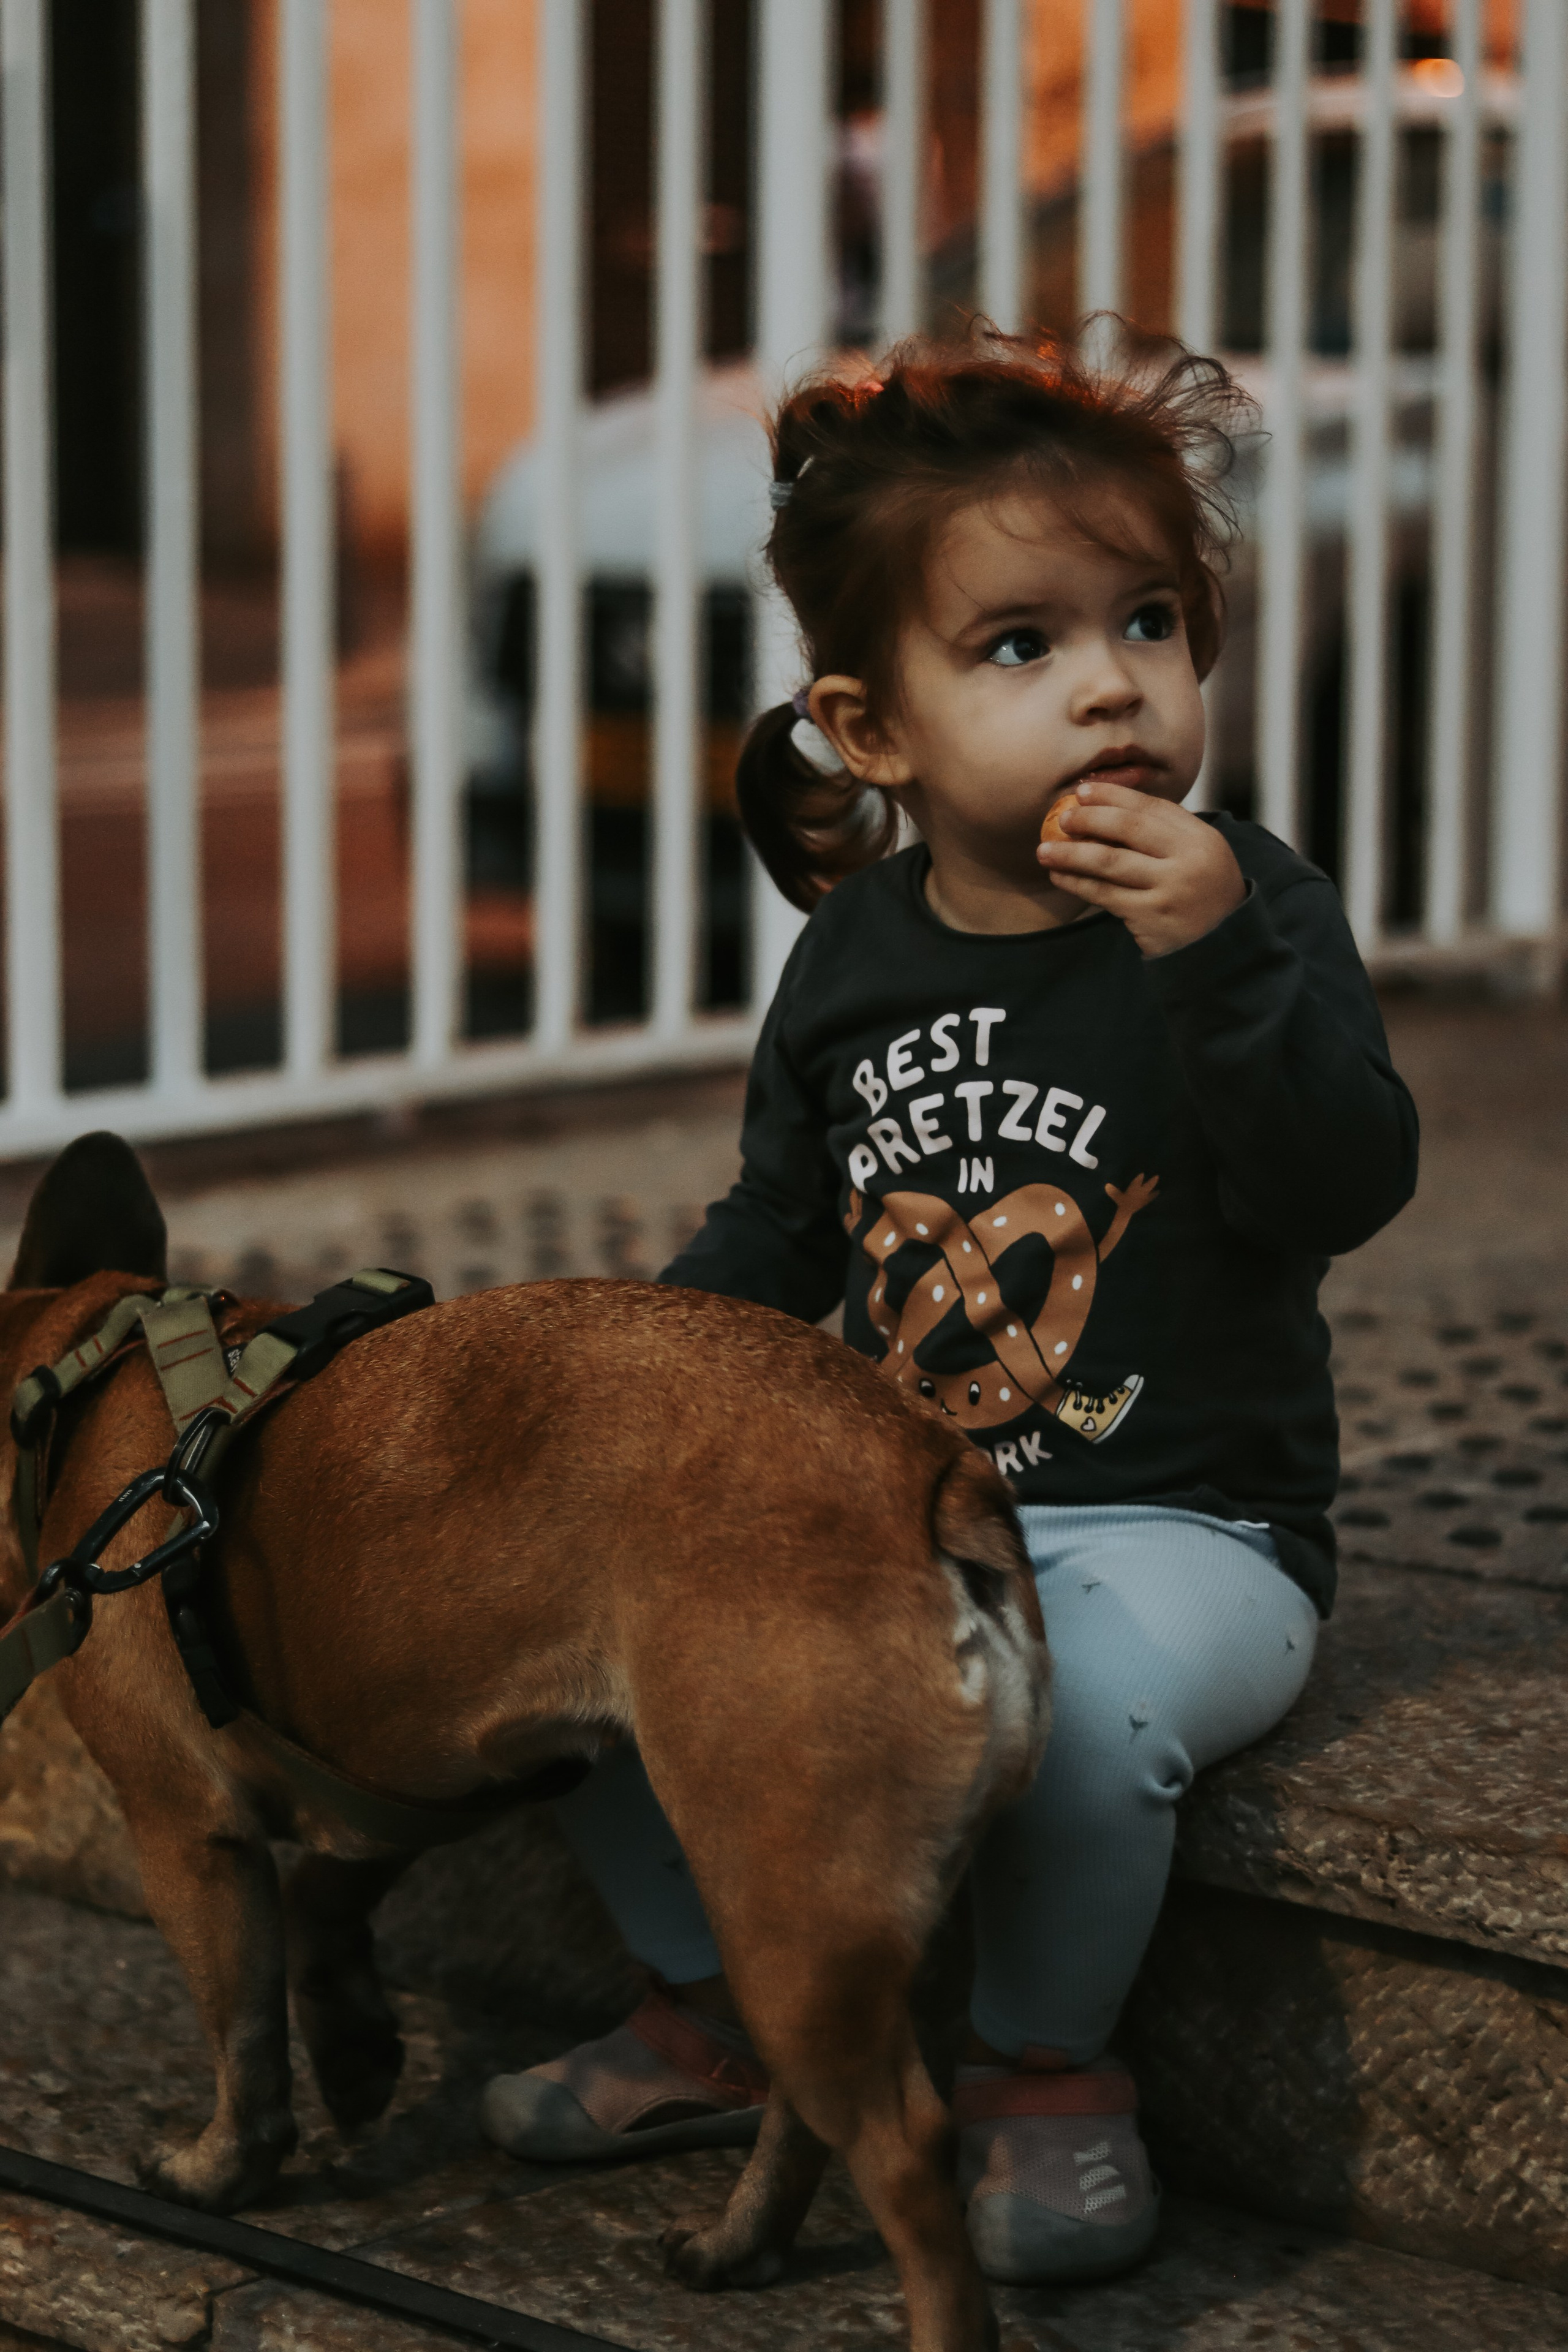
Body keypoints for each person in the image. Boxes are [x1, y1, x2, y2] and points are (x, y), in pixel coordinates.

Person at [481, 323, 1418, 2285]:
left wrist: (1220, 965)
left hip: (1188, 1530)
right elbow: (777, 1232)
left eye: (1149, 623)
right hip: (905, 1516)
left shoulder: (1252, 910)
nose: (1112, 684)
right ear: (875, 728)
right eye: (1020, 645)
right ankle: (721, 2012)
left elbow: (1344, 1183)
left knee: (1066, 1723)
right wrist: (609, 1399)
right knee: (590, 1671)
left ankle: (1041, 2072)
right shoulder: (852, 963)